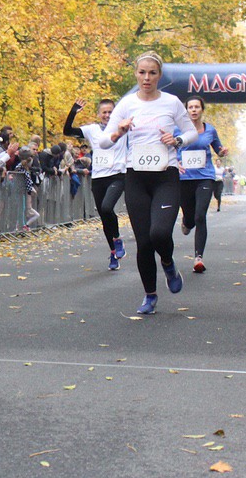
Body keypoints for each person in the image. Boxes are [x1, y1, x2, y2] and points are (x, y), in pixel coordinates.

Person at [98, 51, 197, 314]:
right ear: (136, 74)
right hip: (136, 178)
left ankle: (168, 263)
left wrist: (177, 140)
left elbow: (192, 132)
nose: (146, 78)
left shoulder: (172, 102)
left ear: (159, 75)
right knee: (143, 242)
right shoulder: (127, 104)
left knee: (159, 234)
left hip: (166, 176)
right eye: (142, 72)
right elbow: (103, 140)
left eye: (152, 73)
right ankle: (150, 295)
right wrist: (119, 132)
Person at [64, 98, 128, 270]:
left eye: (110, 112)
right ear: (99, 114)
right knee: (105, 218)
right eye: (104, 112)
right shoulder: (92, 129)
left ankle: (117, 239)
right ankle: (113, 252)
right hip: (98, 177)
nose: (107, 115)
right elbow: (67, 131)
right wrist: (73, 112)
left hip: (117, 175)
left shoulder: (123, 128)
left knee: (107, 207)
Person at [176, 96, 227, 274]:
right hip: (184, 178)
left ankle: (198, 258)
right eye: (190, 107)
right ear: (186, 111)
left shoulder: (210, 130)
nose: (194, 110)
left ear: (202, 110)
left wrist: (222, 151)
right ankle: (186, 222)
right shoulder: (178, 129)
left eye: (197, 107)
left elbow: (219, 150)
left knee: (200, 216)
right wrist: (175, 162)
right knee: (190, 218)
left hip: (205, 177)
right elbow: (168, 149)